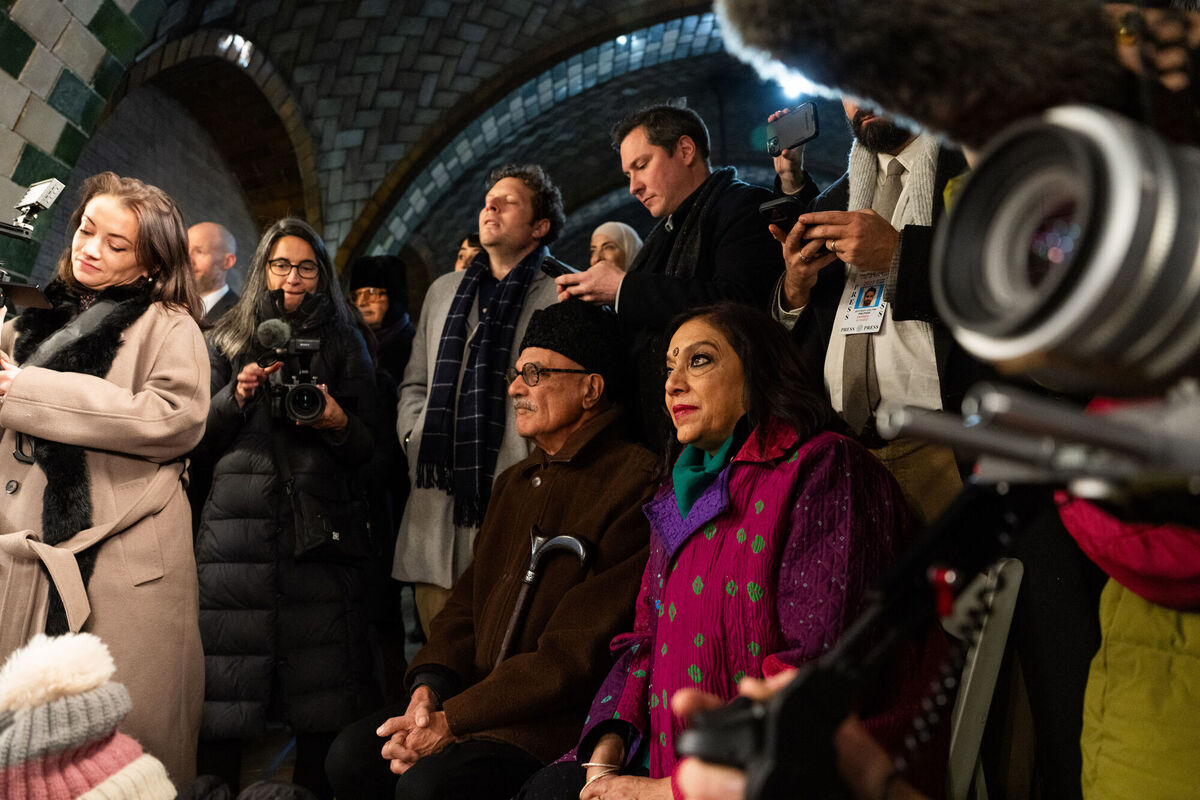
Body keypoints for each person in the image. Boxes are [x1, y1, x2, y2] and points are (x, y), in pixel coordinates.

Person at [519, 302, 913, 800]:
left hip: (769, 776)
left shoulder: (825, 468)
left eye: (699, 361)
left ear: (757, 372)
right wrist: (603, 760)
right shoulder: (673, 494)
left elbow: (819, 664)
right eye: (668, 368)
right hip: (662, 761)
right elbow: (643, 640)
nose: (673, 383)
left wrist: (666, 791)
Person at [326, 299, 657, 800]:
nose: (514, 388)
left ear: (592, 388)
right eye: (515, 372)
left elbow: (575, 656)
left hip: (546, 722)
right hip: (475, 701)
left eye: (535, 372)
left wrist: (452, 720)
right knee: (351, 755)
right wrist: (428, 691)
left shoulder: (633, 480)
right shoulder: (515, 481)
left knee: (428, 788)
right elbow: (464, 606)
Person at [0, 171, 209, 782]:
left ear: (151, 262)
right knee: (28, 760)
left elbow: (175, 418)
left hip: (120, 561)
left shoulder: (171, 327)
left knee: (121, 758)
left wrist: (26, 388)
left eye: (115, 245)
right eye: (87, 231)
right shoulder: (33, 317)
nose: (90, 249)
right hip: (23, 554)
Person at [194, 217, 380, 799]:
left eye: (305, 266)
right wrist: (237, 395)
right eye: (280, 264)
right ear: (262, 270)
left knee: (321, 694)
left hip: (318, 534)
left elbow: (373, 452)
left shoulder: (348, 341)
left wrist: (335, 421)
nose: (292, 277)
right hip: (236, 538)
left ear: (321, 274)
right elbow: (195, 437)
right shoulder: (225, 334)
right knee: (223, 692)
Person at [769, 100, 981, 526]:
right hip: (850, 451)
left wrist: (899, 254)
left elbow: (1001, 285)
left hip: (947, 441)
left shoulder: (971, 166)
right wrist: (795, 286)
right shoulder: (836, 199)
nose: (861, 97)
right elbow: (800, 337)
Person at [556, 103, 792, 444]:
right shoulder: (664, 233)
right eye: (628, 175)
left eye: (641, 165)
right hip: (660, 436)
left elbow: (738, 302)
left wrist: (622, 289)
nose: (633, 187)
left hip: (733, 435)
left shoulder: (741, 206)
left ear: (684, 150)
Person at [392, 164, 562, 637]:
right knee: (435, 657)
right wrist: (415, 435)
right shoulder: (444, 291)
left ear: (540, 226)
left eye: (509, 201)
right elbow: (414, 384)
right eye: (489, 199)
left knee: (499, 654)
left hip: (511, 497)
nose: (491, 206)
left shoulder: (559, 293)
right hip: (434, 506)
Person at [349, 254, 416, 384]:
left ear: (394, 295)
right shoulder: (350, 343)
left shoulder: (414, 347)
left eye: (372, 293)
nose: (361, 303)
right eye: (355, 296)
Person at [189, 221, 239, 324]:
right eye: (184, 251)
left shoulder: (241, 316)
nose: (187, 260)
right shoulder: (169, 305)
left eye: (199, 251)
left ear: (227, 262)